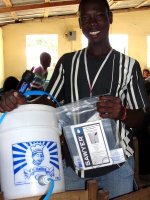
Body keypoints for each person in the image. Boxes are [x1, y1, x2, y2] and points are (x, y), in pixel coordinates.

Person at [0, 0, 149, 198]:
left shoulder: (129, 66)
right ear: (80, 23)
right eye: (85, 18)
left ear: (110, 18)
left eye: (99, 15)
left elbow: (142, 116)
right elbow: (49, 102)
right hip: (74, 165)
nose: (92, 23)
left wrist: (122, 112)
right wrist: (21, 103)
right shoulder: (67, 63)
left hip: (117, 165)